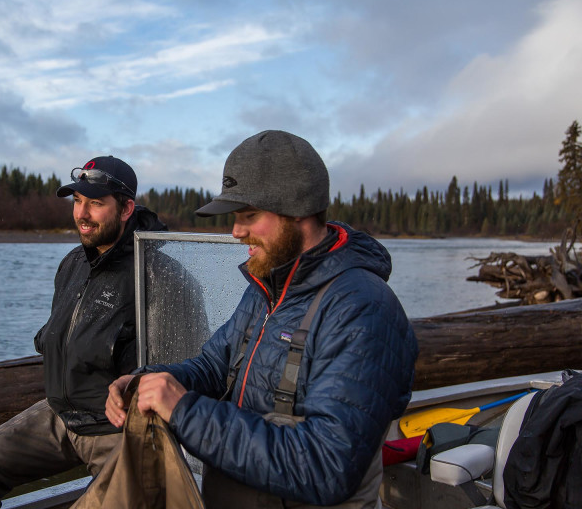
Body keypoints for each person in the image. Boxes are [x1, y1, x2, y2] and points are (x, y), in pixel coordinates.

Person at [105, 130, 419, 508]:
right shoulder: (266, 287)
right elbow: (213, 367)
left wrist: (184, 410)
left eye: (249, 216)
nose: (236, 232)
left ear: (298, 209)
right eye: (236, 217)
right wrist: (150, 381)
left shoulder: (363, 309)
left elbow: (327, 466)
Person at [0, 156, 168, 509]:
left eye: (95, 203)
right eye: (77, 201)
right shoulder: (73, 263)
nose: (82, 214)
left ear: (126, 209)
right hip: (62, 413)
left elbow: (181, 361)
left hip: (117, 428)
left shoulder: (156, 272)